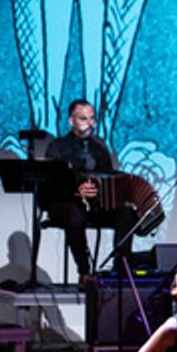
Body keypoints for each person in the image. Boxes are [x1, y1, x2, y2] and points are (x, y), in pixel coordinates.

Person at [43, 99, 138, 281]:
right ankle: (84, 272)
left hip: (96, 205)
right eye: (84, 118)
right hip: (66, 203)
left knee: (127, 213)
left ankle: (120, 269)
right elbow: (52, 183)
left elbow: (108, 178)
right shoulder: (57, 147)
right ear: (71, 121)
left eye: (92, 118)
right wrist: (77, 191)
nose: (90, 123)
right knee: (75, 217)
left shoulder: (100, 147)